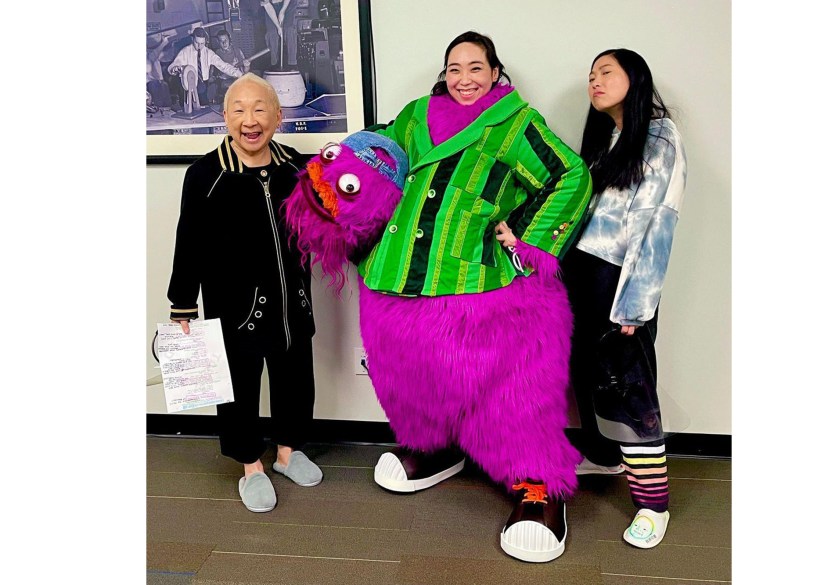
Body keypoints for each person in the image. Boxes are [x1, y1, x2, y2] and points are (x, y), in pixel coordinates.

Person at [357, 31, 591, 562]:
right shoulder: (415, 115)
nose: (465, 78)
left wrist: (527, 237)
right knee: (412, 377)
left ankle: (536, 484)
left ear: (494, 72)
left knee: (511, 389)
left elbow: (568, 175)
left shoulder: (515, 123)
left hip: (475, 282)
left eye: (476, 68)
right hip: (398, 277)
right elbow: (380, 158)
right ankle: (434, 445)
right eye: (455, 68)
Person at [167, 73, 323, 514]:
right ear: (225, 118)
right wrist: (182, 304)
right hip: (236, 309)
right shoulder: (205, 176)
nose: (249, 120)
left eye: (260, 109)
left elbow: (319, 225)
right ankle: (251, 465)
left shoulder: (296, 166)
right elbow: (189, 242)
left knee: (295, 376)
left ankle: (288, 452)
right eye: (239, 110)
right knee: (238, 386)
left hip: (294, 301)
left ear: (278, 116)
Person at [561, 48, 688, 549]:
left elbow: (658, 220)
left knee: (628, 388)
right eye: (590, 74)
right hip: (579, 273)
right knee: (581, 373)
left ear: (635, 79)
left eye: (605, 72)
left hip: (618, 280)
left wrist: (636, 304)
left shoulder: (658, 135)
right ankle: (604, 455)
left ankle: (653, 507)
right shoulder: (601, 142)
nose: (594, 81)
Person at [168, 27, 243, 107]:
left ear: (205, 41)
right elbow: (174, 65)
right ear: (192, 39)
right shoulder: (185, 52)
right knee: (186, 109)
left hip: (202, 86)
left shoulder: (209, 53)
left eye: (202, 43)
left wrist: (239, 74)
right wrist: (175, 68)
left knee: (204, 108)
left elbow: (224, 66)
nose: (199, 46)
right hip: (186, 87)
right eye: (197, 43)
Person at [208, 29, 249, 104]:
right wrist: (231, 64)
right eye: (221, 41)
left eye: (226, 40)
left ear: (229, 39)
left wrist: (246, 66)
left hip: (238, 79)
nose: (224, 43)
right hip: (224, 81)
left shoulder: (237, 51)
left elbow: (245, 72)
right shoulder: (216, 54)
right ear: (218, 42)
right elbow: (217, 74)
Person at [261, 0, 298, 69]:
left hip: (289, 3)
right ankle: (274, 63)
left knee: (289, 30)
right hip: (271, 6)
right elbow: (268, 6)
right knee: (272, 33)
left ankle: (292, 63)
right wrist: (278, 26)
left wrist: (282, 11)